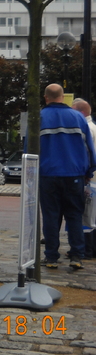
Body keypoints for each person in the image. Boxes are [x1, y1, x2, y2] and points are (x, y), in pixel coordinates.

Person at [40, 84, 96, 270]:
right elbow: (89, 148)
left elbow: (30, 150)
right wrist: (88, 172)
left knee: (50, 217)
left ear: (46, 97)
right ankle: (77, 256)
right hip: (74, 175)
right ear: (63, 97)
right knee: (74, 216)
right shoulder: (78, 117)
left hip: (48, 175)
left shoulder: (39, 117)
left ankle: (51, 257)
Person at [71, 98, 96, 259]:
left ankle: (87, 249)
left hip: (90, 180)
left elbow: (86, 153)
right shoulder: (93, 127)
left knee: (86, 216)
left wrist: (86, 173)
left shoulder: (85, 127)